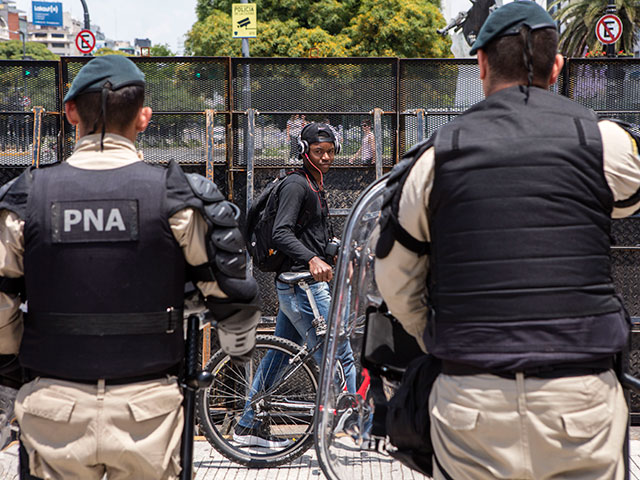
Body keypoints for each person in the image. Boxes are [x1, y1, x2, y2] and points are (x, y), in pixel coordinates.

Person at [374, 3, 640, 479]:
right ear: (557, 66)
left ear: (480, 64)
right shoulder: (604, 143)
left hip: (471, 400)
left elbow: (394, 276)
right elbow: (625, 201)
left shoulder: (436, 158)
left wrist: (432, 332)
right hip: (580, 397)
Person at [0, 55, 260, 479]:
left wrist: (15, 370)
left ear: (69, 113)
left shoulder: (24, 199)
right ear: (144, 118)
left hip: (53, 410)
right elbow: (233, 298)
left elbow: (1, 305)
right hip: (148, 415)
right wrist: (238, 347)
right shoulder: (179, 198)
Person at [234, 122, 357, 447]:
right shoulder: (296, 186)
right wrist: (314, 260)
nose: (326, 157)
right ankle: (355, 424)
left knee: (277, 356)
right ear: (304, 152)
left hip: (298, 283)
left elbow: (311, 235)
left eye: (330, 151)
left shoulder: (314, 185)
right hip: (303, 286)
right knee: (339, 352)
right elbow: (281, 233)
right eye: (318, 151)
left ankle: (248, 426)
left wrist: (335, 256)